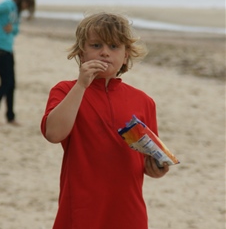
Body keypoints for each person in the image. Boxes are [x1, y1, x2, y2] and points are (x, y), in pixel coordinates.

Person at [40, 12, 169, 229]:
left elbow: (149, 159)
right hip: (82, 206)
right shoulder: (65, 90)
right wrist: (81, 85)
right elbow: (53, 134)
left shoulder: (144, 101)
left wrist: (157, 167)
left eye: (114, 47)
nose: (105, 53)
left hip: (128, 208)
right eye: (96, 45)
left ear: (126, 54)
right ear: (82, 53)